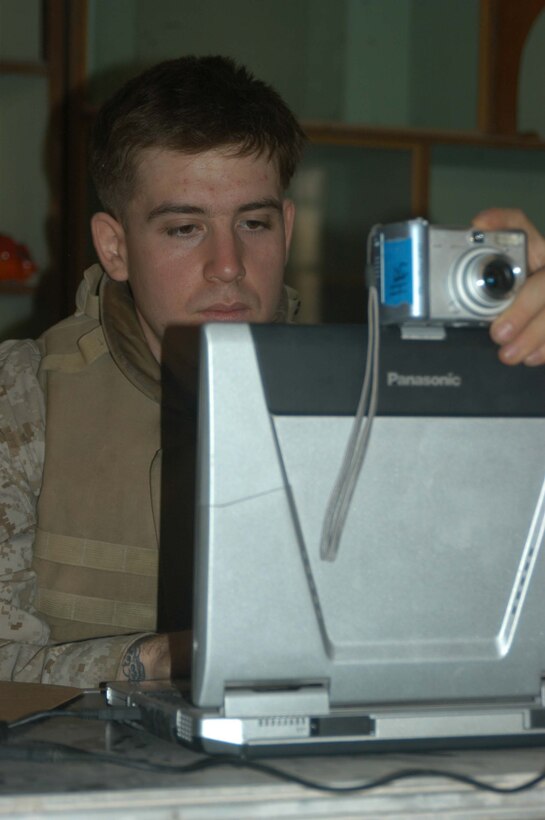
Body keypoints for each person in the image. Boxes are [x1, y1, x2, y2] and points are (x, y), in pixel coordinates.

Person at [0, 56, 544, 689]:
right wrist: (166, 659)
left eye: (252, 223)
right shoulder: (24, 402)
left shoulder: (373, 399)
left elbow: (484, 629)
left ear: (286, 228)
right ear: (114, 246)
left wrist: (518, 381)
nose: (228, 265)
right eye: (184, 228)